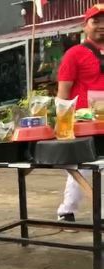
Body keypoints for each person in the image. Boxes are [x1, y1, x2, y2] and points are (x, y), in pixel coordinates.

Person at [55, 4, 104, 223]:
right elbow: (63, 92)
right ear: (85, 26)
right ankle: (67, 210)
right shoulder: (74, 54)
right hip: (83, 123)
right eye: (96, 21)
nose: (102, 26)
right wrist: (61, 123)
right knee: (80, 169)